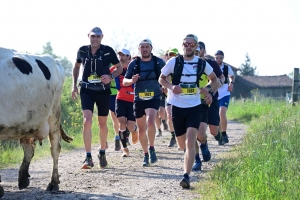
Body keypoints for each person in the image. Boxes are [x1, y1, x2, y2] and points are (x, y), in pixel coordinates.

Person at [159, 34, 218, 188]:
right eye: (186, 44)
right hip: (177, 106)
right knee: (182, 144)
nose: (189, 46)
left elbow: (215, 80)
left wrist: (209, 89)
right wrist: (171, 87)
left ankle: (186, 176)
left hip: (194, 106)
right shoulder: (174, 62)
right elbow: (161, 78)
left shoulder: (201, 63)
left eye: (192, 45)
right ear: (183, 45)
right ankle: (193, 156)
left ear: (196, 46)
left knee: (191, 139)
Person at [71, 27, 122, 169]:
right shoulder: (82, 50)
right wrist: (74, 85)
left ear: (102, 37)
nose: (95, 39)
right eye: (93, 36)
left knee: (102, 123)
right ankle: (88, 157)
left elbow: (119, 68)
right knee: (87, 121)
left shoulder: (108, 50)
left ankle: (102, 152)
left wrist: (111, 76)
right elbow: (76, 67)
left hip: (103, 91)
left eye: (98, 36)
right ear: (88, 36)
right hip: (86, 89)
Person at [123, 39, 165, 167]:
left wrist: (165, 86)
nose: (145, 49)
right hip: (139, 99)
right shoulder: (134, 64)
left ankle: (151, 147)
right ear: (139, 49)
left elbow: (168, 76)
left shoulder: (159, 62)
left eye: (147, 47)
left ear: (151, 48)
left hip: (154, 97)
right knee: (141, 130)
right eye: (142, 47)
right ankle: (146, 154)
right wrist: (131, 80)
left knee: (151, 122)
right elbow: (125, 81)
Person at [192, 41, 225, 171]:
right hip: (191, 102)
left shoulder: (210, 64)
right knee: (193, 132)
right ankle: (197, 159)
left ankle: (218, 136)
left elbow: (220, 78)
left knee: (212, 130)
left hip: (210, 98)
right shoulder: (184, 64)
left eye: (199, 49)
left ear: (203, 51)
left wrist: (212, 89)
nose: (196, 51)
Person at [115, 48, 138, 157]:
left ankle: (134, 130)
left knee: (130, 126)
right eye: (120, 55)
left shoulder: (134, 68)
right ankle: (125, 149)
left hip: (133, 100)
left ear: (129, 57)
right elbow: (104, 73)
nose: (121, 57)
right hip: (120, 99)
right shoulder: (115, 69)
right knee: (121, 122)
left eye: (123, 55)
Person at [215, 50, 235, 145]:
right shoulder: (211, 67)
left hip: (225, 94)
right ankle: (219, 135)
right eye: (217, 57)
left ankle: (224, 134)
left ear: (223, 58)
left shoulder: (227, 68)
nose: (219, 59)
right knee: (217, 116)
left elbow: (232, 76)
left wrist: (231, 83)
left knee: (222, 113)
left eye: (221, 58)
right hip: (215, 94)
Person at [164, 48, 179, 147]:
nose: (172, 57)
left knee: (178, 118)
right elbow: (163, 80)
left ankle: (180, 136)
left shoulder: (181, 66)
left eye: (174, 55)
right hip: (169, 97)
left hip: (180, 97)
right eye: (171, 55)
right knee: (169, 115)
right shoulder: (166, 67)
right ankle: (173, 135)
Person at [109, 66, 121, 151]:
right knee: (114, 119)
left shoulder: (119, 66)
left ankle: (125, 134)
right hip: (109, 94)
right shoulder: (105, 65)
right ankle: (117, 136)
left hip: (120, 94)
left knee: (122, 117)